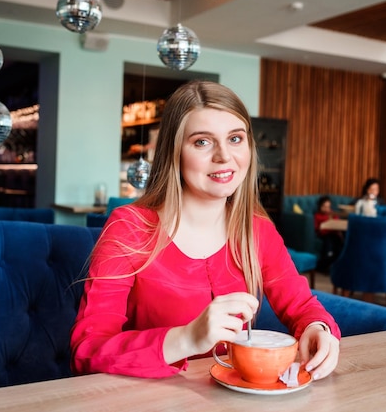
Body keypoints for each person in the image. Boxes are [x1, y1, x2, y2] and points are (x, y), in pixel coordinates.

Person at [71, 81, 340, 382]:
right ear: (175, 152)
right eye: (202, 142)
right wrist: (187, 338)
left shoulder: (257, 229)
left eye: (235, 139)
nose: (224, 156)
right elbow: (87, 351)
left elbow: (302, 306)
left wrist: (319, 329)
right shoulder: (130, 228)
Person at [314, 195, 343, 272]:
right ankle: (323, 266)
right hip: (325, 235)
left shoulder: (332, 214)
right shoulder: (317, 216)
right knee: (328, 245)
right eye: (324, 206)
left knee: (339, 244)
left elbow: (337, 223)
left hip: (334, 234)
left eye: (328, 207)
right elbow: (318, 228)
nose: (326, 209)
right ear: (320, 206)